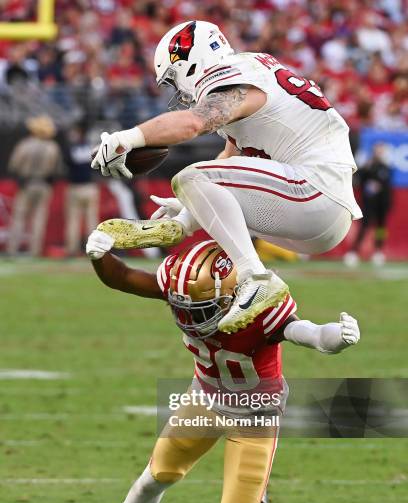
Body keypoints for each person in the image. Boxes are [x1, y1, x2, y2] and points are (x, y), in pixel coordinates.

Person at [70, 228, 360, 503]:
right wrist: (100, 258)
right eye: (183, 307)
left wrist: (336, 338)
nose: (189, 317)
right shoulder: (188, 286)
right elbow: (124, 278)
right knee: (155, 476)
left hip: (256, 412)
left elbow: (309, 333)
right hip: (204, 397)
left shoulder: (261, 306)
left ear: (234, 294)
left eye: (202, 309)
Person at [91, 20, 362, 334]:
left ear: (190, 63)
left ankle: (255, 278)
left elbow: (194, 123)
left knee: (191, 177)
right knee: (198, 185)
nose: (178, 90)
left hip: (313, 191)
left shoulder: (234, 75)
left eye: (173, 79)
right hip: (322, 216)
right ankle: (179, 228)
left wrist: (129, 138)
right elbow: (230, 160)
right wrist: (189, 211)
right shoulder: (253, 70)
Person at [6, 115, 63, 257]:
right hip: (44, 185)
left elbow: (14, 165)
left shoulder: (24, 144)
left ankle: (12, 249)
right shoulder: (53, 147)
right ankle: (34, 251)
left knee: (19, 217)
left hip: (26, 184)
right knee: (39, 218)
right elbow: (58, 169)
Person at [344, 142, 392, 266]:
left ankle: (378, 251)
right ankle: (354, 252)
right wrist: (364, 168)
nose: (379, 152)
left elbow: (387, 186)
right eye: (377, 150)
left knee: (381, 228)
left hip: (382, 204)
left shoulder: (386, 167)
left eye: (381, 150)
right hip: (369, 204)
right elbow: (357, 181)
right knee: (364, 227)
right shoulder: (368, 166)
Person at [63, 125, 99, 257]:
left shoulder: (71, 148)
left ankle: (71, 249)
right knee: (91, 220)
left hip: (75, 187)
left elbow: (66, 163)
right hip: (90, 187)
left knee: (73, 220)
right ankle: (93, 249)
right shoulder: (92, 147)